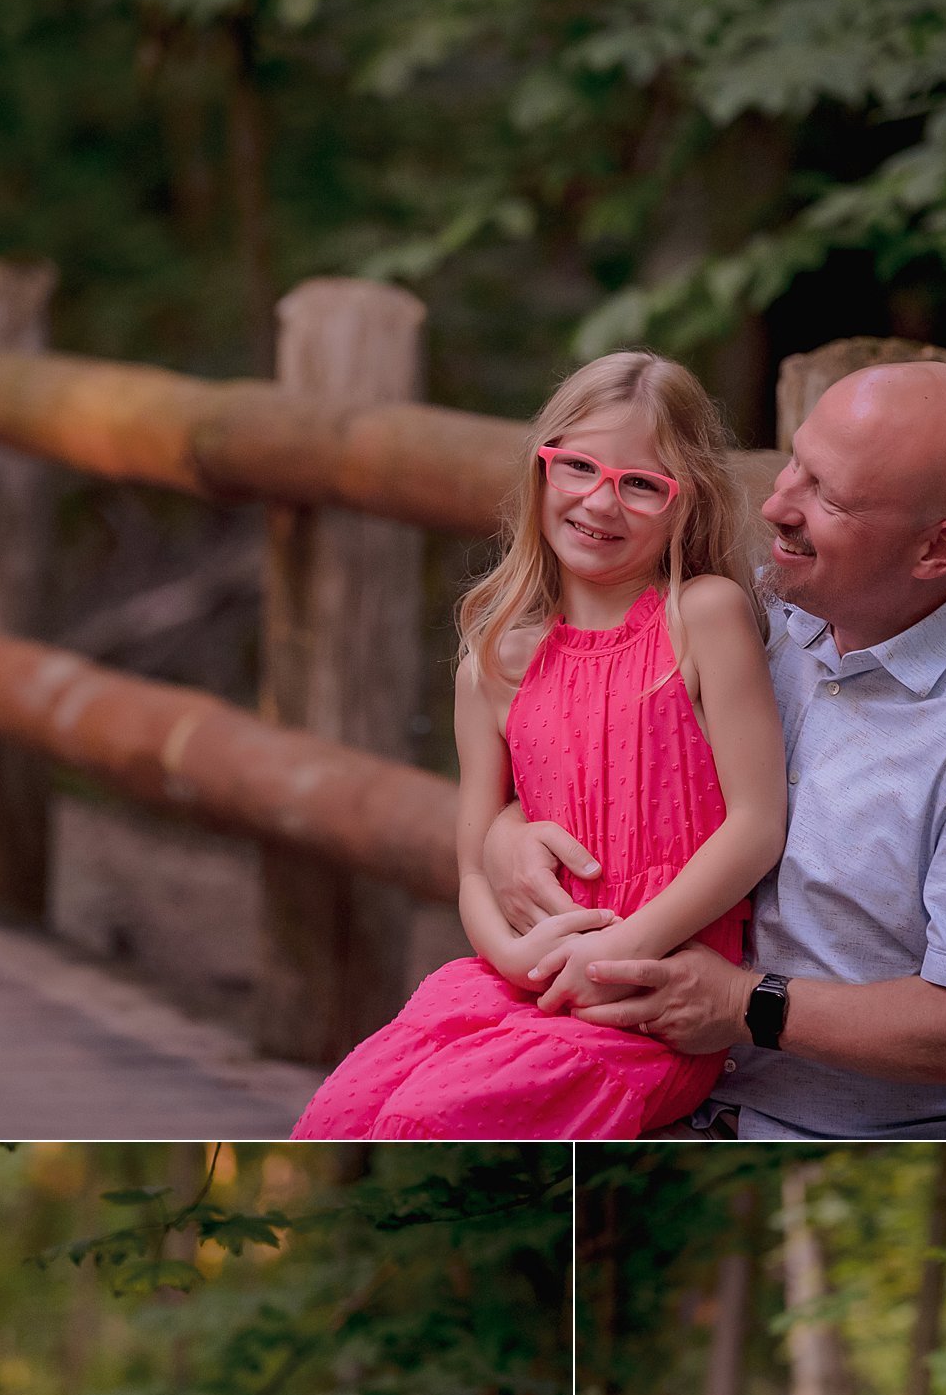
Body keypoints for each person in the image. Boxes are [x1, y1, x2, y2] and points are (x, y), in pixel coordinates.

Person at [542, 361, 946, 1136]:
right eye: (794, 462)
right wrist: (504, 836)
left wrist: (744, 1005)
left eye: (826, 497)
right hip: (665, 1099)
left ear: (936, 551)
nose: (776, 504)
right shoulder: (769, 616)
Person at [290, 349, 785, 1139]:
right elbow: (470, 868)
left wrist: (621, 951)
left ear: (684, 503)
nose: (601, 501)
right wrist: (511, 958)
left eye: (641, 484)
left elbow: (757, 823)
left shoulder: (704, 618)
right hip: (519, 976)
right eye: (579, 467)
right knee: (341, 1114)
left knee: (427, 1121)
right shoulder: (494, 661)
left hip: (650, 997)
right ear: (541, 471)